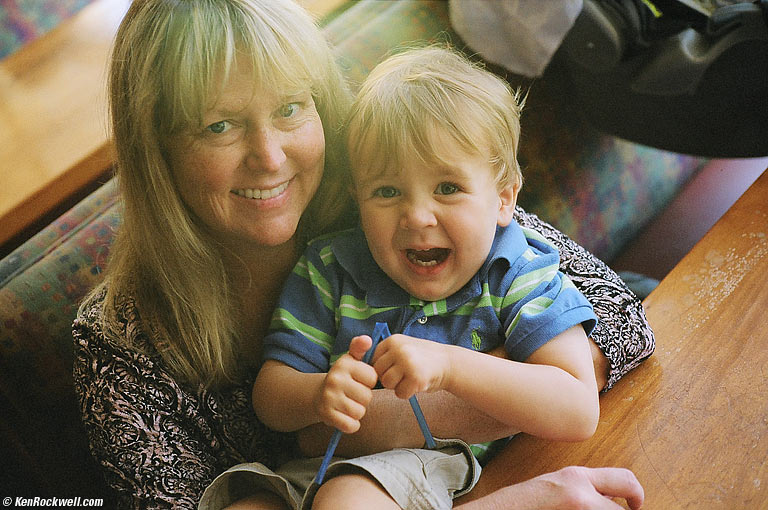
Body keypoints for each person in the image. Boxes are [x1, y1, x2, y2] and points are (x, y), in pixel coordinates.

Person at [70, 0, 649, 509]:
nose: (270, 157)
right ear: (156, 151)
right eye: (219, 125)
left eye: (290, 108)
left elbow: (619, 318)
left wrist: (369, 422)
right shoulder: (120, 344)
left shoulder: (392, 184)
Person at [228, 46, 600, 510]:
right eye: (387, 191)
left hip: (435, 466)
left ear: (504, 199)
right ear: (357, 200)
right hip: (315, 469)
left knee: (347, 500)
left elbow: (577, 407)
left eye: (448, 188)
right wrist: (318, 394)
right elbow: (270, 397)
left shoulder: (517, 272)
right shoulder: (330, 267)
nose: (417, 216)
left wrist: (450, 367)